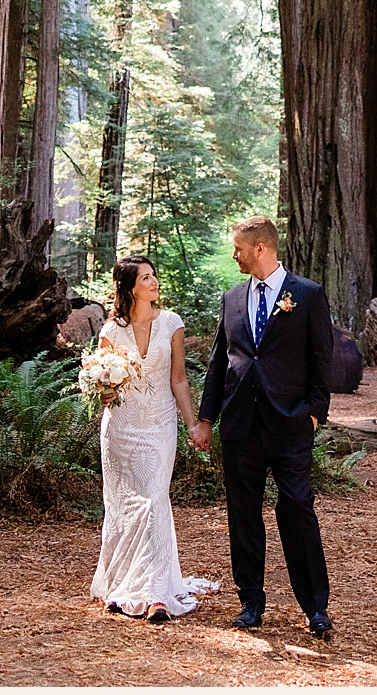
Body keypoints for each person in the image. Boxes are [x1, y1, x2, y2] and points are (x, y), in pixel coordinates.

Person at [192, 215, 334, 638]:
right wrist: (206, 419)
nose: (234, 255)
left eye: (238, 248)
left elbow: (321, 360)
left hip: (290, 424)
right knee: (243, 515)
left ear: (260, 248)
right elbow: (220, 363)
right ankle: (251, 602)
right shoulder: (232, 298)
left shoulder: (307, 295)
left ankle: (315, 607)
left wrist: (312, 412)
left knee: (296, 508)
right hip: (240, 425)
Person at [88, 256, 217, 622]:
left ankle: (158, 593)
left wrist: (192, 424)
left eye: (154, 275)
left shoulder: (172, 324)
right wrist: (104, 392)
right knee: (125, 506)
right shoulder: (111, 330)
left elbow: (178, 379)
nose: (154, 281)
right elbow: (103, 384)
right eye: (146, 277)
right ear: (131, 288)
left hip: (159, 423)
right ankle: (123, 584)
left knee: (155, 499)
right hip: (121, 427)